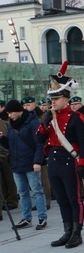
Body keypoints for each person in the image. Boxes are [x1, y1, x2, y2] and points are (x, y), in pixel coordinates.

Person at [37, 62, 84, 248]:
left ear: (66, 99)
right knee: (60, 198)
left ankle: (77, 232)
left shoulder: (76, 118)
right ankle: (67, 230)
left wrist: (83, 163)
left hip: (69, 160)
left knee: (73, 198)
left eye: (57, 98)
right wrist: (44, 124)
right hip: (53, 160)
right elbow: (38, 139)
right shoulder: (49, 117)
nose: (53, 102)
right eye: (51, 98)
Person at [0, 99, 47, 230]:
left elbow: (39, 143)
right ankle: (27, 218)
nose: (9, 116)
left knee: (37, 191)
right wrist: (2, 139)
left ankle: (42, 217)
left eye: (11, 113)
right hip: (16, 164)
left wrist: (37, 161)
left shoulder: (33, 122)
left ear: (19, 111)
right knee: (23, 192)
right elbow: (10, 144)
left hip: (31, 162)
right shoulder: (11, 125)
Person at [0, 100, 20, 212]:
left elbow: (3, 137)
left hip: (4, 155)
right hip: (3, 155)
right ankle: (6, 200)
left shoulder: (1, 122)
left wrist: (4, 154)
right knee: (3, 181)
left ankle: (12, 200)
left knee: (9, 179)